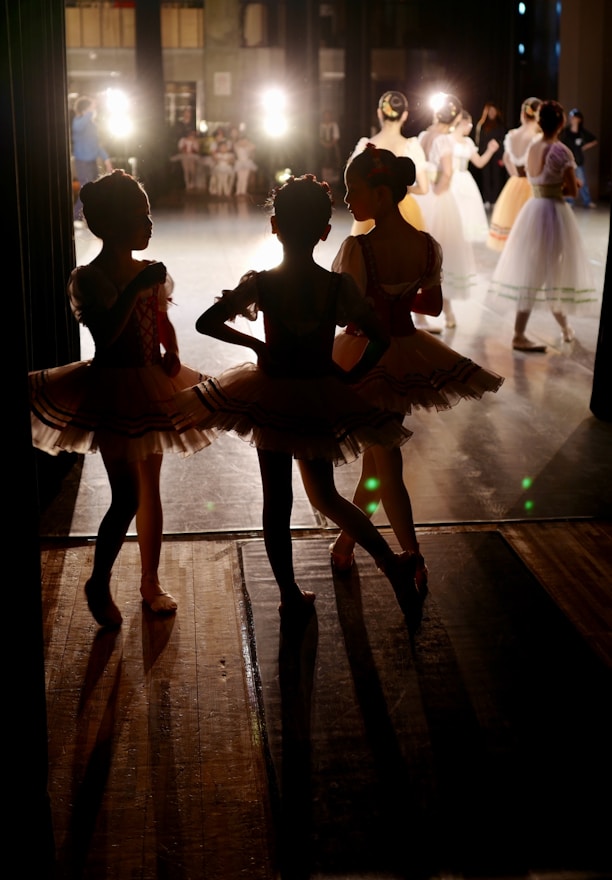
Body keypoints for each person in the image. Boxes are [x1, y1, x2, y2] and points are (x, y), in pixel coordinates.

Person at [173, 175, 422, 623]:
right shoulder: (335, 287)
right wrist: (352, 376)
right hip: (315, 394)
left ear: (274, 226)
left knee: (277, 502)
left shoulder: (264, 285)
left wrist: (254, 347)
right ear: (325, 232)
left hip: (270, 396)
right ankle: (392, 564)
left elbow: (206, 322)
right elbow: (380, 338)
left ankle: (289, 593)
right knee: (326, 496)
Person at [29, 170, 214, 627]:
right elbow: (108, 336)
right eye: (140, 216)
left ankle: (150, 579)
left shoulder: (148, 273)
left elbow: (159, 314)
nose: (150, 225)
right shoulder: (89, 278)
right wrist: (134, 288)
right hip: (112, 388)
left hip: (151, 385)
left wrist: (171, 350)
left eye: (149, 215)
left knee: (149, 488)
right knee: (126, 494)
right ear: (112, 225)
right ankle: (99, 579)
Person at [330, 145, 504, 590]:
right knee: (378, 463)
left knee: (385, 463)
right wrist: (400, 296)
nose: (347, 200)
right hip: (406, 353)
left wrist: (374, 300)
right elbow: (433, 304)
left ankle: (412, 557)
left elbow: (343, 313)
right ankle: (346, 546)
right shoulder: (426, 247)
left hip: (366, 356)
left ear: (383, 195)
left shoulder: (358, 249)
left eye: (355, 191)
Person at [489, 101, 599, 352]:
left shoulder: (533, 147)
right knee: (551, 271)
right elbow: (570, 189)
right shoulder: (561, 151)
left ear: (540, 123)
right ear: (560, 124)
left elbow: (530, 176)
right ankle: (531, 332)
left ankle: (556, 328)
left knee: (536, 270)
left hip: (533, 209)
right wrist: (571, 186)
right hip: (553, 211)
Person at [347, 91, 436, 331]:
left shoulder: (365, 146)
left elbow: (355, 181)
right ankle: (411, 313)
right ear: (405, 115)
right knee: (408, 258)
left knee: (369, 264)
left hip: (372, 208)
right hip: (403, 207)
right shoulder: (410, 145)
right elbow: (424, 187)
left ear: (379, 112)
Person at [415, 93, 477, 328]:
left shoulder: (424, 135)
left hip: (423, 196)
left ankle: (423, 313)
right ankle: (446, 313)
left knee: (424, 255)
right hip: (439, 199)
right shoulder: (445, 140)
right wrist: (439, 191)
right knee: (443, 256)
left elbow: (421, 166)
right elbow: (448, 172)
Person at [486, 97, 542, 252]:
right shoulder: (537, 137)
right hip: (532, 185)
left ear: (523, 114)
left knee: (514, 224)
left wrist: (515, 176)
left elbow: (506, 158)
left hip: (515, 184)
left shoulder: (512, 135)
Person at [450, 110, 500, 243]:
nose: (470, 128)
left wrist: (490, 150)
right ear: (463, 122)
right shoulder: (447, 139)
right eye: (470, 125)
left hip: (465, 180)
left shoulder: (468, 142)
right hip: (450, 179)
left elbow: (479, 162)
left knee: (467, 211)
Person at [71, 95, 113, 222]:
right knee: (87, 189)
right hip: (82, 161)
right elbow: (77, 128)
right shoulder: (78, 121)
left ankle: (87, 216)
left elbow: (97, 144)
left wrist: (107, 160)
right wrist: (89, 112)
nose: (94, 110)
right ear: (85, 109)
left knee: (94, 189)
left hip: (92, 161)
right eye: (91, 108)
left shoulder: (92, 125)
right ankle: (75, 216)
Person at [560, 108, 598, 208]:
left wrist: (584, 147)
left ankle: (587, 201)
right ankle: (569, 201)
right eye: (571, 117)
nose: (572, 119)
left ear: (579, 119)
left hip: (579, 161)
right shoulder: (566, 132)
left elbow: (594, 140)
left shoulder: (582, 133)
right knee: (568, 181)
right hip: (568, 161)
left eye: (574, 117)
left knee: (582, 182)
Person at [474, 102, 506, 208]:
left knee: (497, 178)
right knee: (486, 178)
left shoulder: (500, 126)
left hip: (497, 156)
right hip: (485, 155)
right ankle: (487, 199)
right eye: (490, 111)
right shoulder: (482, 125)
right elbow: (479, 142)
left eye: (494, 111)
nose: (492, 113)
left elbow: (503, 141)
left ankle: (495, 200)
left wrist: (501, 156)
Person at [229, 126, 258, 198]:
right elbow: (234, 146)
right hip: (239, 162)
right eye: (242, 139)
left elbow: (253, 147)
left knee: (245, 178)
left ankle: (243, 191)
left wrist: (247, 144)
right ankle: (238, 191)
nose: (244, 141)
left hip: (247, 162)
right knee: (239, 178)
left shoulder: (249, 146)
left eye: (245, 140)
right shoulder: (237, 146)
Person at [319, 109, 341, 184]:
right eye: (325, 116)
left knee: (333, 161)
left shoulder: (334, 125)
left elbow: (336, 137)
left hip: (332, 145)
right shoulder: (322, 125)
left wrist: (330, 144)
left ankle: (333, 180)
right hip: (323, 146)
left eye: (328, 116)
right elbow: (320, 137)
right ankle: (325, 179)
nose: (327, 118)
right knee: (324, 161)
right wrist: (324, 144)